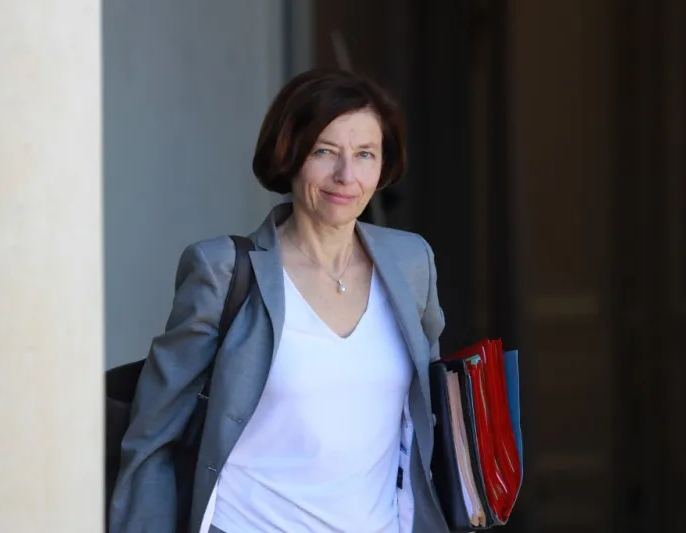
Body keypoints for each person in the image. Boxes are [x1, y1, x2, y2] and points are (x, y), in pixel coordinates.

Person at [109, 68, 449, 533]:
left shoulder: (412, 263)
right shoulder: (223, 271)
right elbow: (154, 437)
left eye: (365, 154)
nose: (346, 176)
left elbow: (429, 420)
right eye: (324, 152)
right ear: (288, 155)